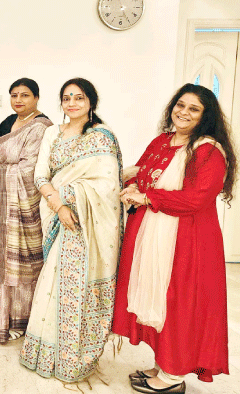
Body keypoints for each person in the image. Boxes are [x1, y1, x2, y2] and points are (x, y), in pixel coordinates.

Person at [112, 84, 235, 393]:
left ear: (206, 116)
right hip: (152, 234)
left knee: (179, 305)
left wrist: (146, 196)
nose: (184, 112)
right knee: (155, 298)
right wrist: (130, 186)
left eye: (194, 109)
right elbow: (143, 173)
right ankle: (163, 364)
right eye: (181, 105)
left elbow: (197, 198)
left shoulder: (207, 150)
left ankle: (172, 377)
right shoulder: (162, 141)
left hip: (186, 240)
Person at [19, 77, 122, 383]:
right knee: (52, 282)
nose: (72, 103)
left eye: (79, 98)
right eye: (67, 98)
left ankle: (75, 357)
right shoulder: (53, 132)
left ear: (91, 102)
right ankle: (45, 353)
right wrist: (59, 205)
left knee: (79, 286)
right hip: (59, 216)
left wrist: (70, 200)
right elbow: (41, 176)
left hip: (90, 222)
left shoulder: (102, 136)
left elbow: (108, 185)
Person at [0, 78, 52, 343]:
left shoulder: (43, 127)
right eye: (14, 95)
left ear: (36, 98)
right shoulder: (7, 123)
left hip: (24, 207)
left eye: (25, 95)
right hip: (0, 203)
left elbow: (29, 170)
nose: (18, 100)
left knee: (23, 260)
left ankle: (21, 317)